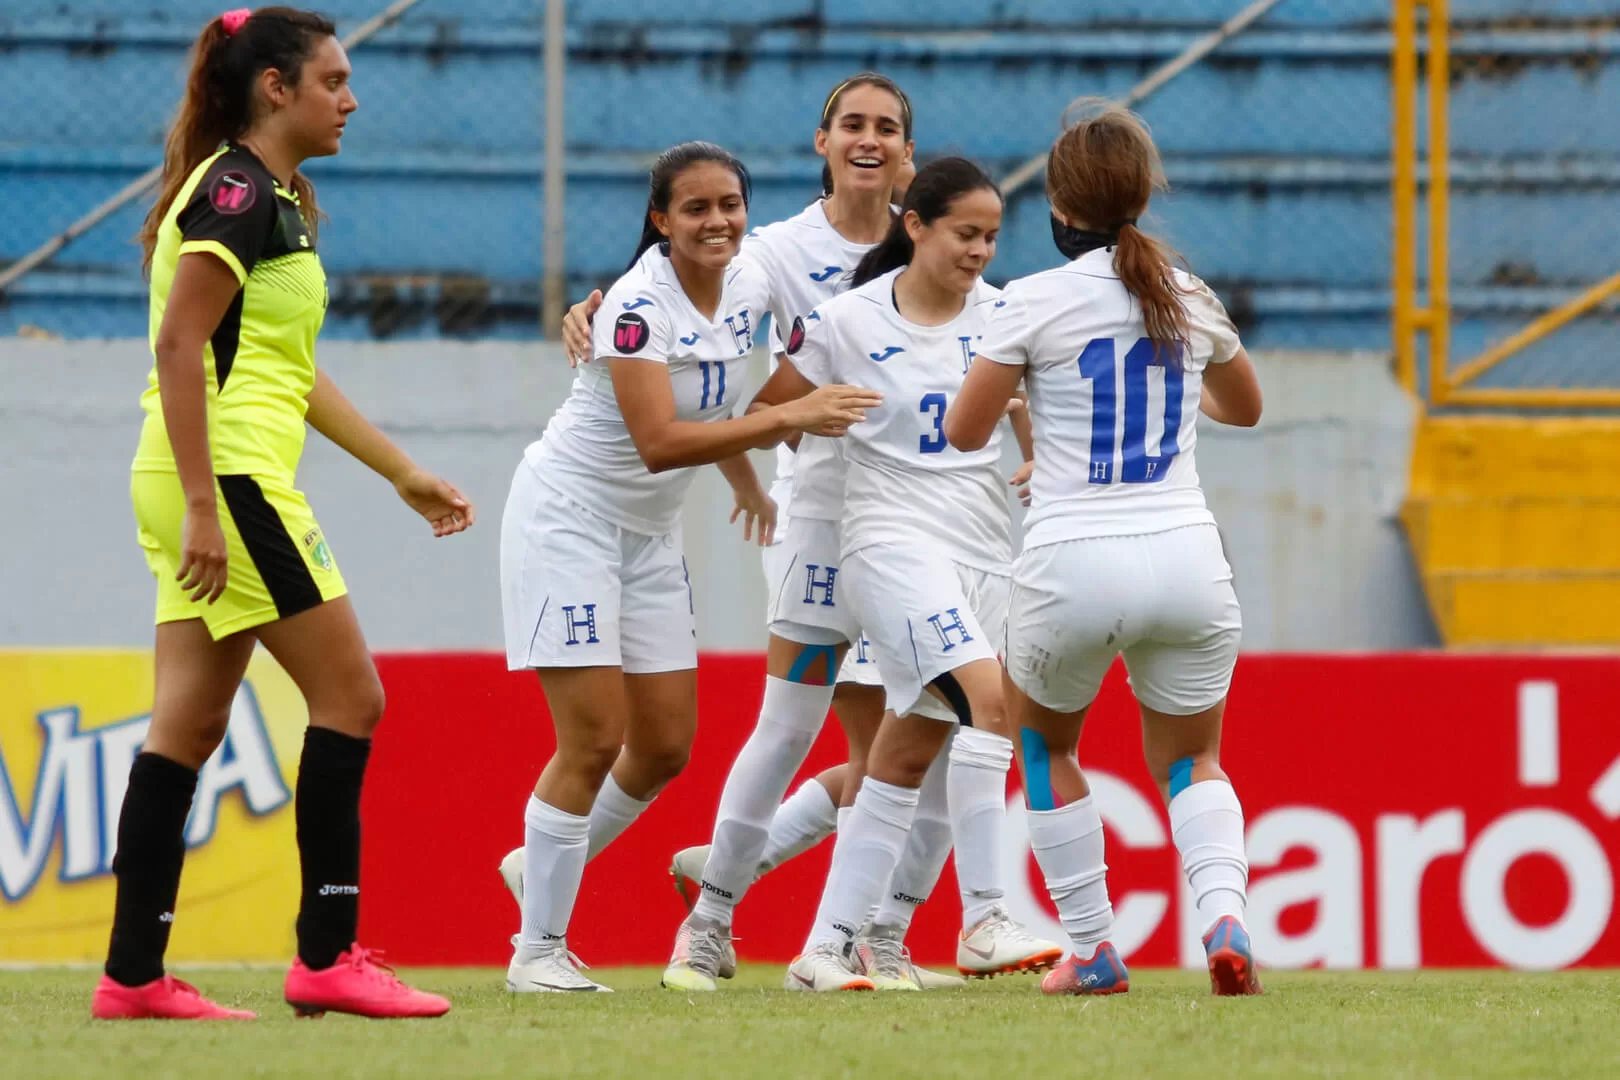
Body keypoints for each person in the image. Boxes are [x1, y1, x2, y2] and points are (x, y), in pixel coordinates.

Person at [96, 7, 467, 1021]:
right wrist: (211, 504)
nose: (351, 100)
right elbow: (181, 348)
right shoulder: (237, 190)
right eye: (334, 81)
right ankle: (328, 954)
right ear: (276, 88)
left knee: (190, 720)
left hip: (201, 477)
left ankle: (132, 976)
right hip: (228, 482)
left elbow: (286, 373)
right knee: (354, 699)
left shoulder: (278, 198)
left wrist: (403, 473)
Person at [499, 140, 880, 993]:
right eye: (697, 209)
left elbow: (748, 384)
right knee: (594, 735)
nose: (718, 222)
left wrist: (749, 474)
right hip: (569, 520)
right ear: (661, 222)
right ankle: (538, 951)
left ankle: (539, 866)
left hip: (647, 532)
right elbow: (661, 440)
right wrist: (798, 416)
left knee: (665, 744)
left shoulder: (750, 282)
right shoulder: (637, 306)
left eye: (730, 206)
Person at [943, 101, 1265, 996]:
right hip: (1188, 557)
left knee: (1046, 749)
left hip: (1073, 558)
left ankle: (1091, 948)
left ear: (1058, 201)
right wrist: (1179, 402)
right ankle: (1224, 919)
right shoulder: (1187, 294)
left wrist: (1027, 409)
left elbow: (968, 432)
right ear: (1141, 196)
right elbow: (1245, 408)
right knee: (1192, 760)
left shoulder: (1030, 300)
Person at [751, 157, 1063, 991]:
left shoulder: (1006, 317)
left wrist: (1036, 460)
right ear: (916, 225)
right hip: (888, 546)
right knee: (992, 702)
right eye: (966, 233)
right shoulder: (844, 321)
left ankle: (830, 947)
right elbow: (761, 416)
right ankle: (987, 913)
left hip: (983, 552)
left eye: (993, 237)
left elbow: (1029, 410)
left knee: (904, 755)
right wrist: (802, 414)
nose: (981, 252)